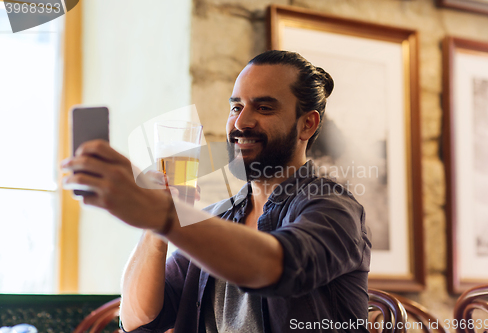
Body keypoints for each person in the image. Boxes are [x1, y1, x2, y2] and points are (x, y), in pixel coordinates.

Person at [62, 50, 371, 332]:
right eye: (236, 106)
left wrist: (162, 214)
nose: (241, 121)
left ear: (307, 125)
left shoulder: (334, 208)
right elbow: (139, 320)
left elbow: (275, 266)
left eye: (263, 107)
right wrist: (155, 227)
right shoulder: (218, 216)